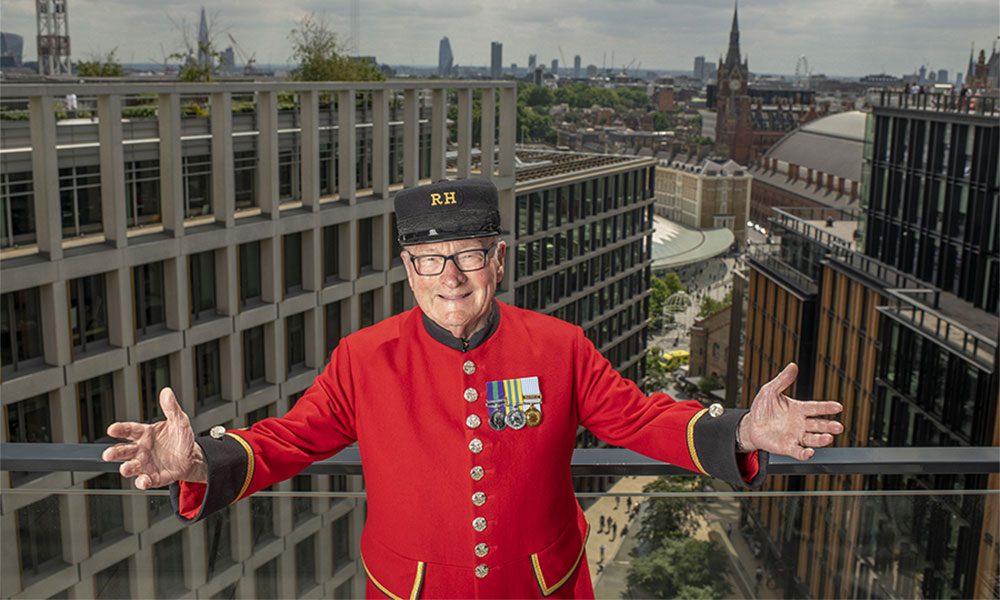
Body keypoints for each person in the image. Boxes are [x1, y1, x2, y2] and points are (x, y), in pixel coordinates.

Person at [102, 179, 844, 598]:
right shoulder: (364, 357)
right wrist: (198, 460)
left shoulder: (559, 347)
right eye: (429, 260)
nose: (449, 277)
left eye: (467, 256)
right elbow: (288, 439)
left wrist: (743, 429)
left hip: (544, 591)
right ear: (406, 269)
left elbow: (639, 417)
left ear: (499, 259)